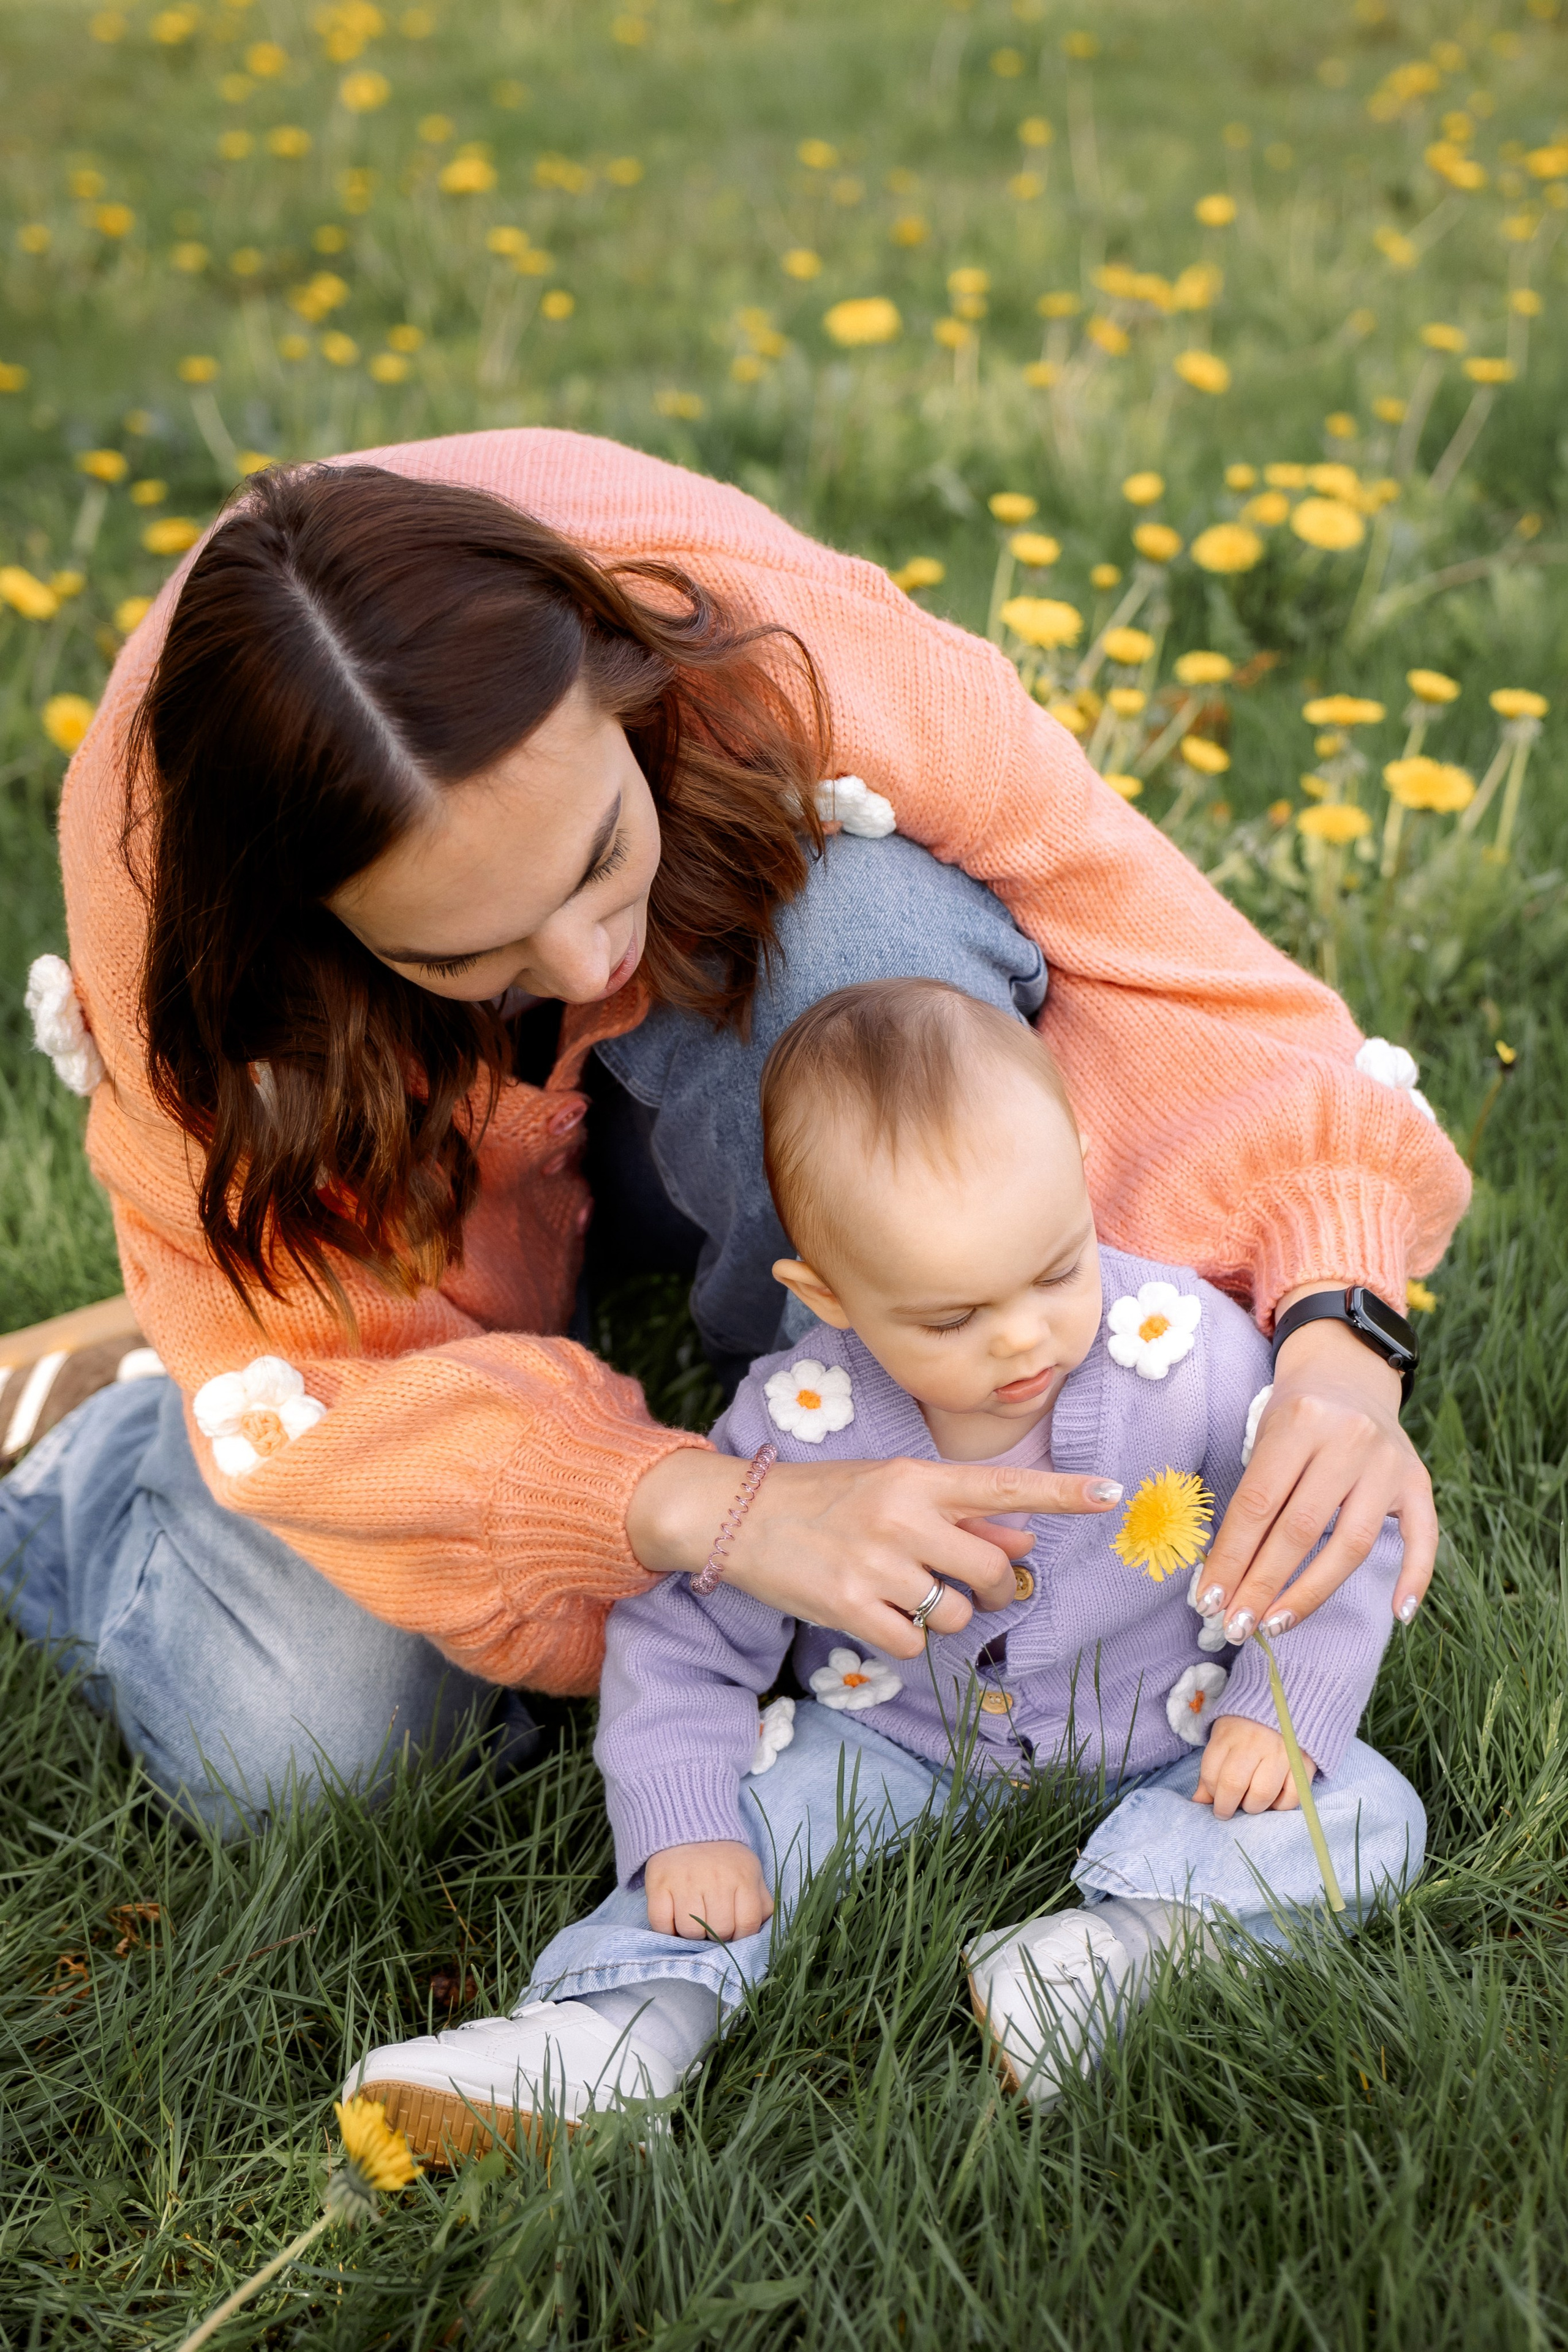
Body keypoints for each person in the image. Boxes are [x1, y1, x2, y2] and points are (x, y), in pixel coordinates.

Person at [3, 432, 1463, 1832]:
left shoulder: (763, 642)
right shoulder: (188, 956)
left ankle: (849, 1392)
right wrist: (711, 1509)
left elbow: (1166, 969)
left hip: (710, 1121)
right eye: (463, 953)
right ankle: (115, 1429)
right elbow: (315, 1392)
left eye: (598, 857)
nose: (586, 966)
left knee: (864, 944)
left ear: (626, 684)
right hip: (391, 1244)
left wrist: (1338, 1332)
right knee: (307, 1754)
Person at [345, 982, 1423, 2152]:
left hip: (1174, 1727)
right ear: (829, 1298)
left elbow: (1330, 1528)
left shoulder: (1188, 1355)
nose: (1021, 1337)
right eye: (952, 1318)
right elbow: (681, 1639)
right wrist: (686, 1822)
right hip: (888, 1738)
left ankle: (1110, 1956)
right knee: (758, 1831)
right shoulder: (803, 1424)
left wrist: (1279, 1705)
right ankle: (615, 2033)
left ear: (1076, 1167)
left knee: (1366, 1811)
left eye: (1057, 1270)